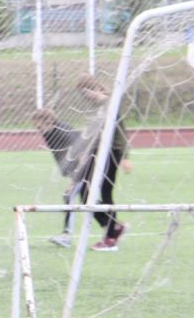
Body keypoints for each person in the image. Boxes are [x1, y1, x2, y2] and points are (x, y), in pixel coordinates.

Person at [37, 75, 129, 250]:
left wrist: (125, 156)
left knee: (100, 193)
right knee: (88, 193)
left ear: (93, 89)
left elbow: (121, 131)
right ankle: (113, 229)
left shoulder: (109, 104)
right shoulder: (97, 108)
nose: (84, 98)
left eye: (84, 94)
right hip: (99, 153)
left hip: (111, 153)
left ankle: (111, 235)